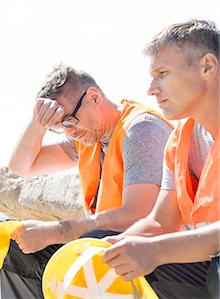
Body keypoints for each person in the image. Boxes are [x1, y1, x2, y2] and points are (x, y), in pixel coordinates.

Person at [1, 64, 174, 298]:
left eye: (70, 121)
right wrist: (37, 124)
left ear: (93, 97)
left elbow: (138, 216)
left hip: (162, 258)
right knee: (17, 244)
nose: (70, 133)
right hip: (110, 246)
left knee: (91, 242)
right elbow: (21, 166)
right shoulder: (86, 140)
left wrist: (57, 231)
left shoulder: (142, 129)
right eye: (60, 127)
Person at [102, 19, 219, 299]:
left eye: (162, 73)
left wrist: (155, 251)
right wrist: (113, 247)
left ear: (207, 67)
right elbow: (160, 223)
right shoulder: (179, 140)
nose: (151, 89)